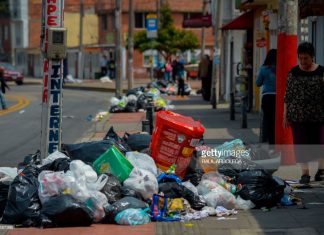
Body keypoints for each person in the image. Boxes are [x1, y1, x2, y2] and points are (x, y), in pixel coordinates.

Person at [283, 42, 324, 184]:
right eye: (300, 58)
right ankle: (305, 173)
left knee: (320, 142)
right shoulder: (293, 73)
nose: (303, 61)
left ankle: (321, 170)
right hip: (298, 115)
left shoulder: (321, 72)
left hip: (319, 115)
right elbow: (288, 96)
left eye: (306, 58)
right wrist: (285, 115)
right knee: (301, 144)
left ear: (312, 57)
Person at [256, 49, 277, 145]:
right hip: (279, 97)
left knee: (268, 120)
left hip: (267, 97)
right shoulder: (281, 68)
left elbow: (258, 83)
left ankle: (269, 141)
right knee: (278, 120)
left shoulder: (264, 69)